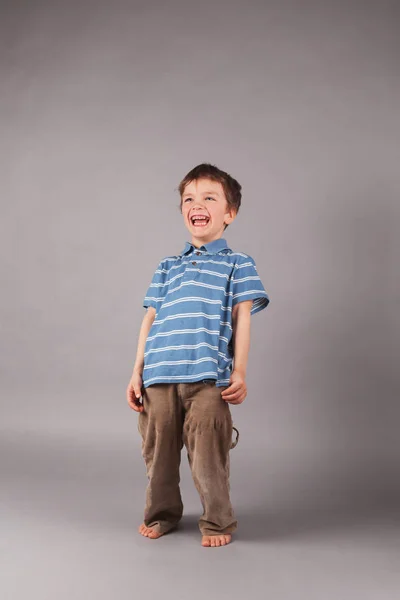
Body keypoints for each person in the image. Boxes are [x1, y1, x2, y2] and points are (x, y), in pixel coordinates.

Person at [126, 163, 270, 547]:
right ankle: (162, 514)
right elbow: (149, 321)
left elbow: (243, 318)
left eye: (209, 197)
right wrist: (135, 371)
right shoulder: (167, 267)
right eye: (189, 198)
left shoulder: (237, 264)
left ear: (229, 213)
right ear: (182, 210)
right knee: (157, 456)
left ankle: (219, 521)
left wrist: (239, 371)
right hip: (158, 376)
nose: (197, 204)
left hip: (208, 378)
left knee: (209, 457)